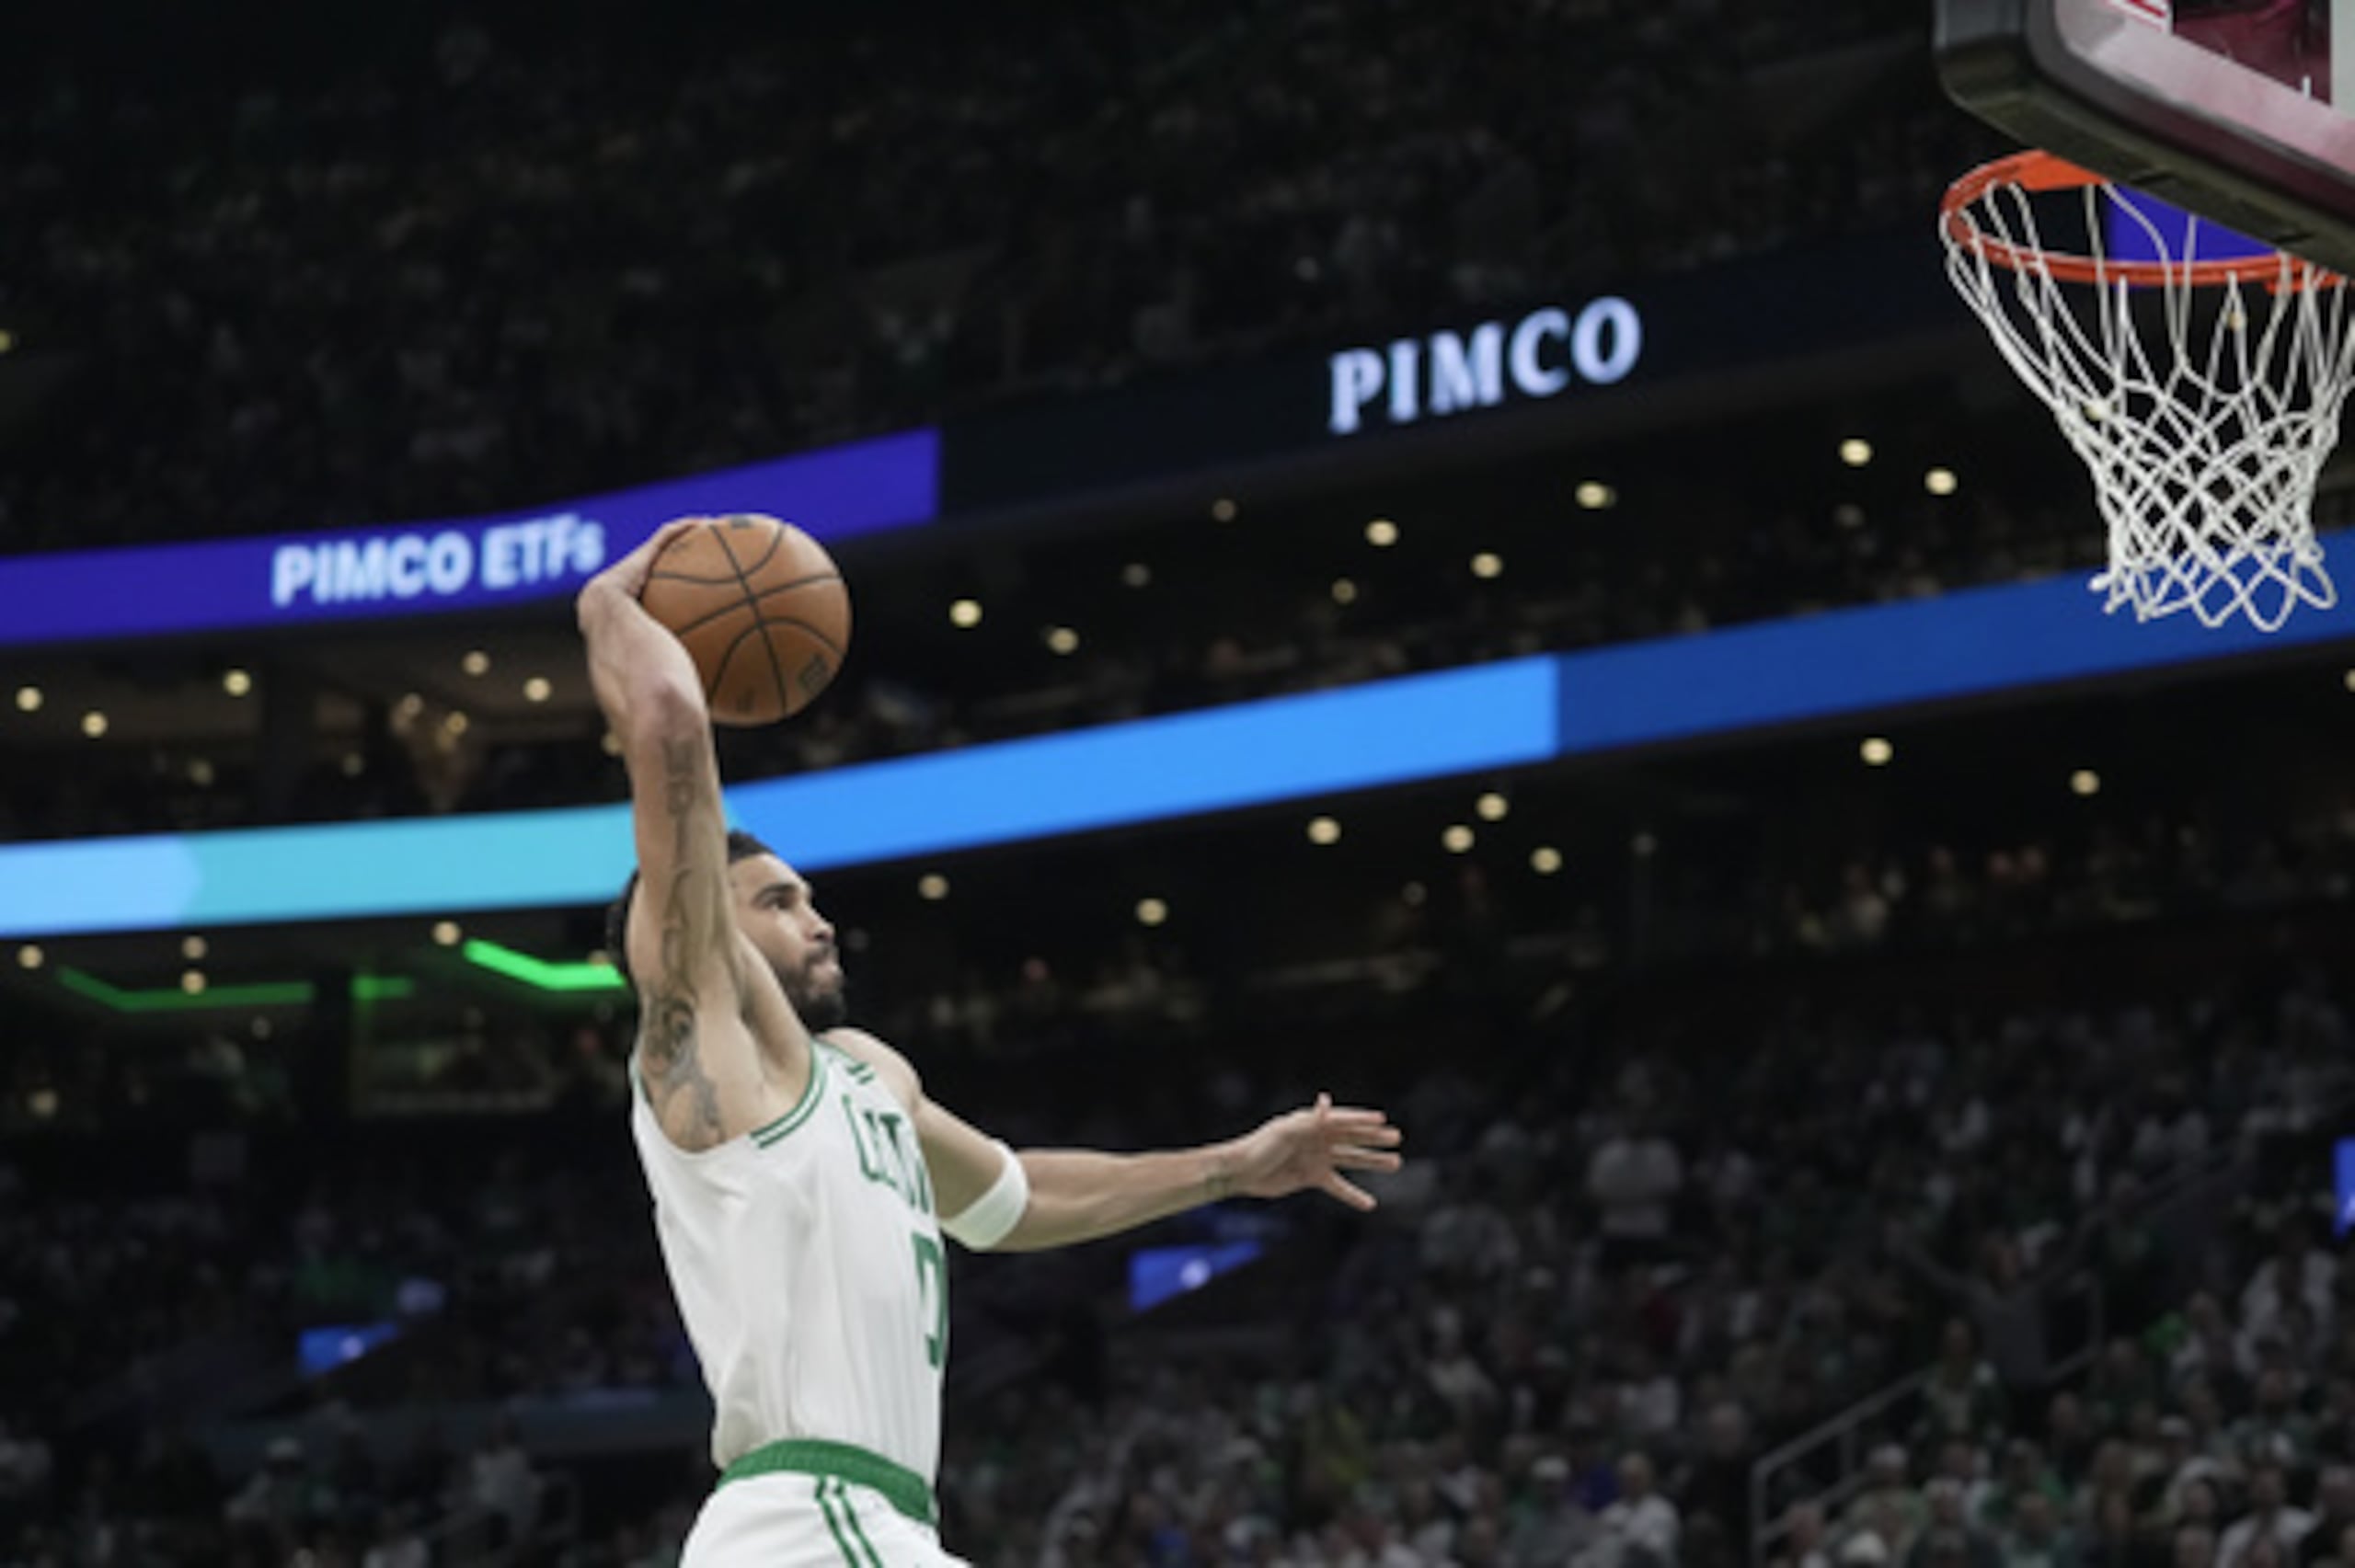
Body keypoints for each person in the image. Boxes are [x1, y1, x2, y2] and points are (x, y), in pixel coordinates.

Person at [578, 522, 1407, 1567]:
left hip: (872, 1526)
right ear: (700, 936)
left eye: (814, 897)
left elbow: (1009, 1199)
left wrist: (1231, 1169)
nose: (820, 919)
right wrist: (606, 606)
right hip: (806, 1525)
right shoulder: (704, 1048)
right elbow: (665, 717)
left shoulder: (868, 1076)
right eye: (782, 902)